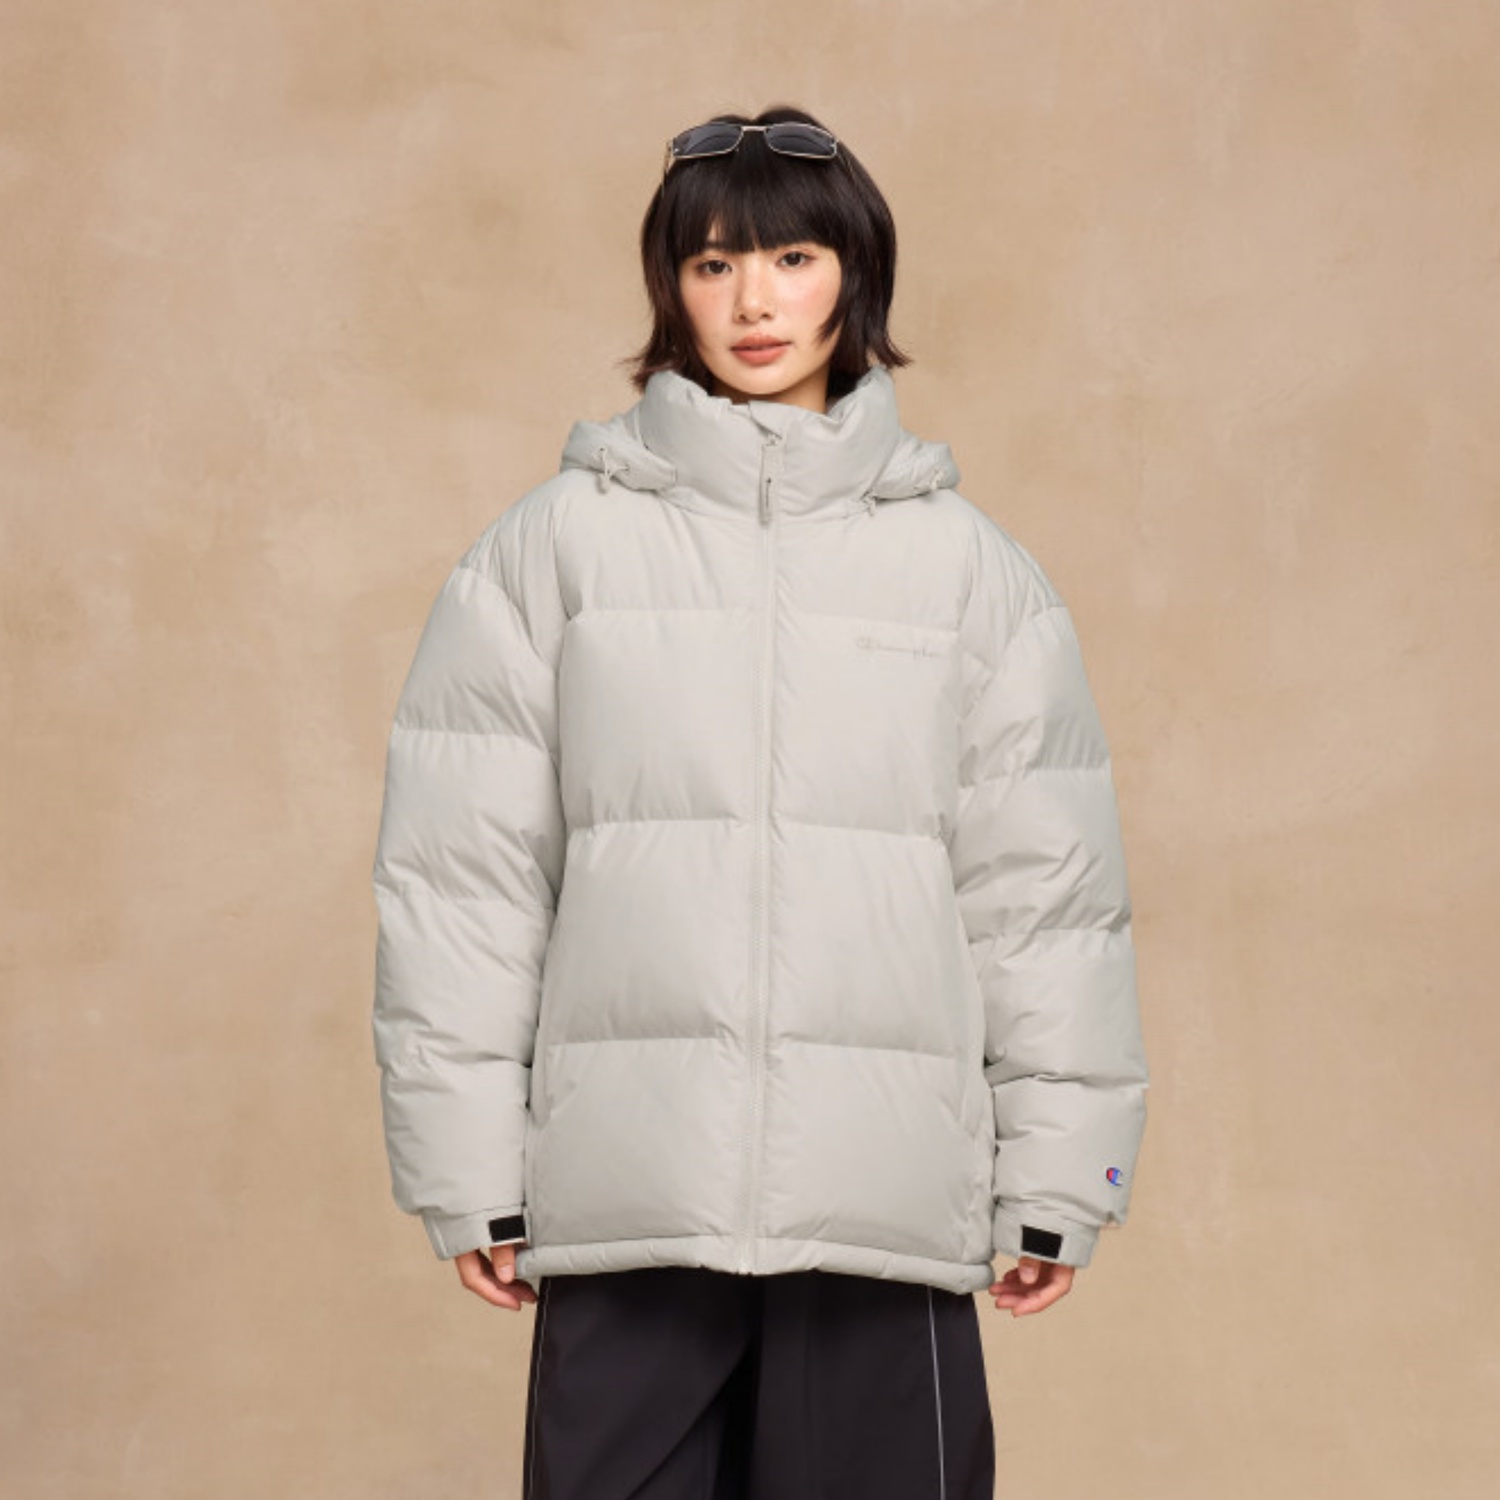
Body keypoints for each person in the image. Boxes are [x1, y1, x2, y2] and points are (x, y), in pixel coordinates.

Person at [371, 104, 1149, 1499]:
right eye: (714, 263)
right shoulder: (549, 554)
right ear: (669, 287)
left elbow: (1045, 902)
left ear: (856, 275)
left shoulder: (972, 576)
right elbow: (464, 885)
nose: (753, 302)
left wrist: (1062, 1181)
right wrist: (464, 1168)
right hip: (635, 1201)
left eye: (792, 259)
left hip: (881, 1205)